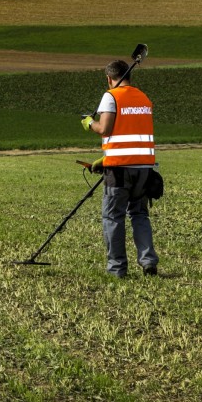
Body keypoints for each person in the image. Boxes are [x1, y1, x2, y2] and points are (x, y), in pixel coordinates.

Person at [81, 59, 159, 278]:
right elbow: (130, 136)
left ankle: (117, 269)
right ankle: (148, 262)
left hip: (119, 170)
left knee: (113, 217)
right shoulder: (143, 98)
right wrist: (103, 159)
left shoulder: (111, 96)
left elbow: (105, 129)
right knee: (140, 214)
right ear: (129, 76)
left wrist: (89, 123)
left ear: (109, 78)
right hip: (144, 167)